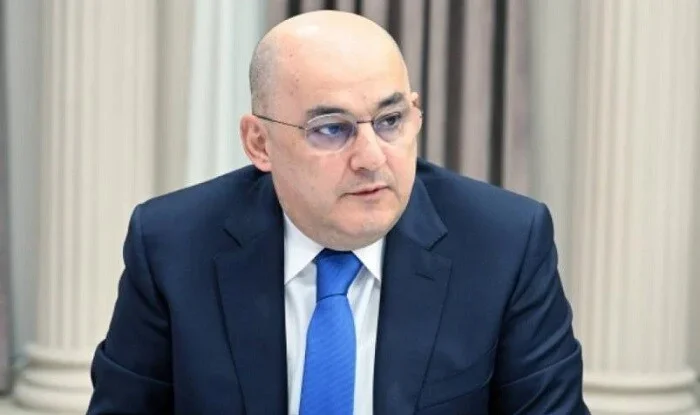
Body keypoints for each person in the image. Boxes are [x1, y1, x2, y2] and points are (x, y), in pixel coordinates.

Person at [87, 10, 588, 415]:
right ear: (259, 143)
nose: (371, 157)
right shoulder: (172, 246)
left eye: (390, 120)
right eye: (331, 128)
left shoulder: (505, 244)